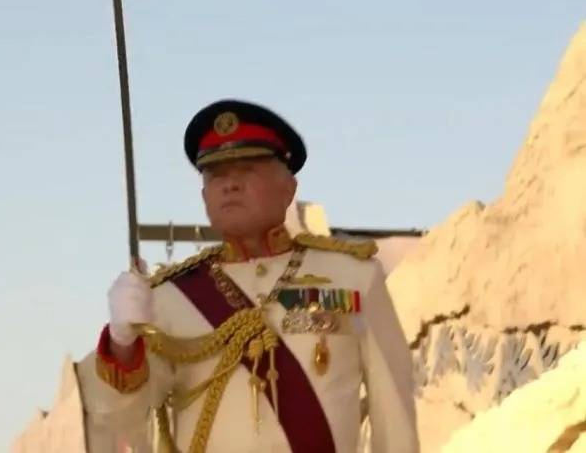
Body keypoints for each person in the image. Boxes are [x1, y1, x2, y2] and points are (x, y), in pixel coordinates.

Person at [76, 99, 418, 453]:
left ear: (288, 188)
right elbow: (120, 420)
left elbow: (393, 414)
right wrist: (122, 344)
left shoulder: (353, 278)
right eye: (216, 175)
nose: (230, 185)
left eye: (247, 170)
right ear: (205, 196)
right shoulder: (169, 298)